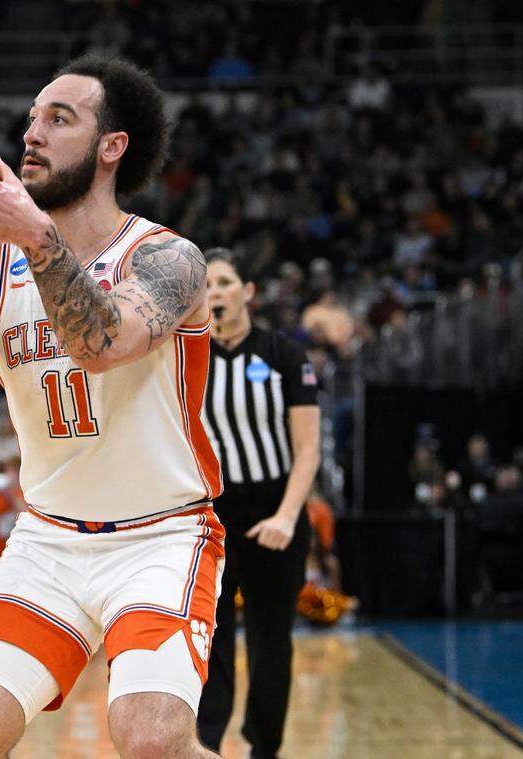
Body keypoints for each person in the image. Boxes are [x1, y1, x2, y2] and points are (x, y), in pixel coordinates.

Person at [0, 55, 223, 757]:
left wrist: (36, 237)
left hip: (162, 537)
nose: (33, 133)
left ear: (112, 147)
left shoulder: (170, 260)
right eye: (31, 118)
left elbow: (103, 342)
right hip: (49, 540)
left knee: (151, 739)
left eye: (60, 118)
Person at [196, 249, 321, 758]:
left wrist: (288, 517)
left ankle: (263, 748)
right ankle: (205, 744)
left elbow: (308, 448)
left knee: (272, 642)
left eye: (224, 283)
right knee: (211, 640)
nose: (214, 294)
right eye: (204, 286)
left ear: (247, 293)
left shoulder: (283, 355)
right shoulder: (189, 354)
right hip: (214, 513)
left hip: (276, 507)